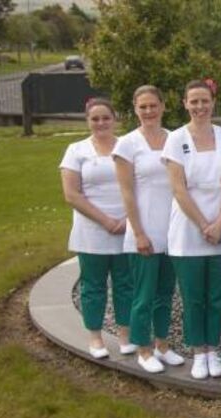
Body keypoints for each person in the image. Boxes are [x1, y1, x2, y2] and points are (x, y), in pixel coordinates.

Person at [163, 79, 221, 380]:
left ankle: (213, 350)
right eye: (193, 101)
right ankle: (198, 352)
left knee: (217, 296)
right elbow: (179, 190)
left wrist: (220, 222)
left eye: (204, 100)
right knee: (193, 297)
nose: (200, 106)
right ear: (185, 104)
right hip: (187, 230)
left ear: (213, 102)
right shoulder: (175, 139)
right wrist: (204, 225)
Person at [113, 86, 184, 373]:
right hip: (144, 231)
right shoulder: (127, 144)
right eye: (143, 107)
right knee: (143, 295)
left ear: (163, 106)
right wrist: (139, 232)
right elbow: (127, 192)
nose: (149, 111)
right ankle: (143, 349)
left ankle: (162, 345)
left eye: (153, 105)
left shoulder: (175, 139)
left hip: (173, 229)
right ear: (135, 109)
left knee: (165, 293)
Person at [60, 98, 133, 359]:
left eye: (106, 118)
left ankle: (125, 335)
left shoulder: (128, 147)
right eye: (95, 119)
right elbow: (71, 194)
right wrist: (106, 221)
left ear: (115, 119)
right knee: (93, 286)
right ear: (87, 121)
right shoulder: (76, 150)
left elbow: (142, 185)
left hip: (127, 228)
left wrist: (128, 220)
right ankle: (95, 337)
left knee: (126, 284)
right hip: (91, 231)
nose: (101, 123)